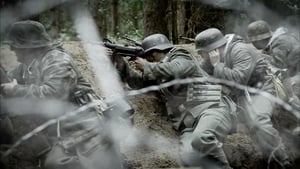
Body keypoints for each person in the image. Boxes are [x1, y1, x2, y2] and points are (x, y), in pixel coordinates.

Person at [0, 20, 132, 169]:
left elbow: (54, 94)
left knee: (58, 164)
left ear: (29, 47)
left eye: (16, 46)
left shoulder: (58, 60)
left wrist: (15, 90)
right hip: (58, 128)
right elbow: (8, 80)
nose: (12, 49)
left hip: (84, 127)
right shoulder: (28, 65)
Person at [118, 33, 236, 169]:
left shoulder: (180, 55)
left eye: (152, 55)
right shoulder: (160, 72)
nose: (150, 59)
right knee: (188, 156)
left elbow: (178, 69)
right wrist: (125, 67)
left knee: (202, 138)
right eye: (147, 57)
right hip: (189, 123)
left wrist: (147, 66)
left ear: (162, 50)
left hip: (211, 109)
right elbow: (142, 84)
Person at [194, 28, 293, 169]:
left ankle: (282, 161)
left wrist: (218, 66)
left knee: (259, 121)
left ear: (213, 50)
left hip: (262, 89)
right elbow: (200, 72)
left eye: (202, 53)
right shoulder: (214, 57)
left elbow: (239, 79)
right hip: (241, 95)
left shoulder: (240, 50)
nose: (202, 57)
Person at [247, 20, 300, 107]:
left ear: (260, 40)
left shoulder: (281, 43)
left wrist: (291, 96)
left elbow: (278, 69)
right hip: (292, 73)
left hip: (296, 77)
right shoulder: (276, 40)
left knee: (289, 97)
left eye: (254, 41)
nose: (253, 44)